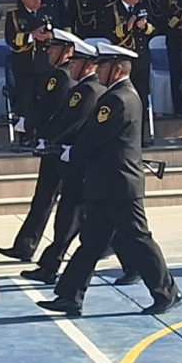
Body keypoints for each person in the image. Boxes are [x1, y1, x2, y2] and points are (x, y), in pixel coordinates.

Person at [38, 43, 182, 317]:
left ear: (116, 70)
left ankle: (167, 292)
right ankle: (69, 296)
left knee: (139, 239)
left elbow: (94, 137)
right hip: (106, 184)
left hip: (119, 185)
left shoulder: (117, 99)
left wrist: (71, 152)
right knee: (91, 242)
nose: (97, 70)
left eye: (102, 66)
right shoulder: (118, 95)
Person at [19, 35, 130, 285]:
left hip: (79, 164)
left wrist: (56, 144)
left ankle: (52, 267)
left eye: (75, 63)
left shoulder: (89, 90)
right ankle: (51, 266)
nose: (71, 67)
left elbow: (76, 125)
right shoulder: (87, 88)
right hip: (76, 161)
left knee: (77, 218)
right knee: (90, 220)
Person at [0, 29, 77, 263]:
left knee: (62, 201)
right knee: (44, 198)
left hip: (56, 146)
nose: (49, 51)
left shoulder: (60, 76)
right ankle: (25, 245)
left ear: (67, 51)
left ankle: (109, 245)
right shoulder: (67, 75)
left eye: (54, 48)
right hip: (57, 145)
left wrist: (28, 123)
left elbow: (47, 108)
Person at [105, 0, 156, 146]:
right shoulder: (113, 10)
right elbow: (110, 34)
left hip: (141, 59)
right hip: (122, 61)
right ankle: (121, 136)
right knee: (121, 99)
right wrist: (128, 25)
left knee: (140, 98)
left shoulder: (142, 7)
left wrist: (144, 27)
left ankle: (139, 137)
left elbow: (153, 28)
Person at [5, 0, 54, 141]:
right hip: (25, 66)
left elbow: (57, 32)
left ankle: (43, 135)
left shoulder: (46, 13)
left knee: (45, 101)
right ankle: (25, 136)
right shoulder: (14, 16)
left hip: (45, 64)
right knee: (25, 102)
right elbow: (11, 39)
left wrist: (49, 36)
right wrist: (32, 36)